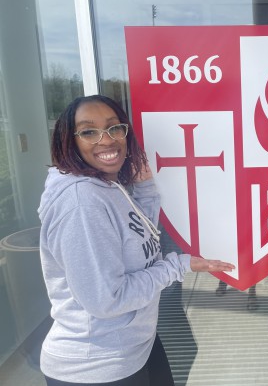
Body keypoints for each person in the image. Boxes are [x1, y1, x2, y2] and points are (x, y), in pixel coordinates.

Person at [38, 94, 234, 386]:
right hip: (96, 366)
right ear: (70, 140)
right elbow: (108, 299)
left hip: (134, 348)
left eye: (114, 128)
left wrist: (143, 188)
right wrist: (178, 266)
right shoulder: (82, 203)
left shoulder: (108, 185)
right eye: (89, 131)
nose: (107, 140)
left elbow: (141, 236)